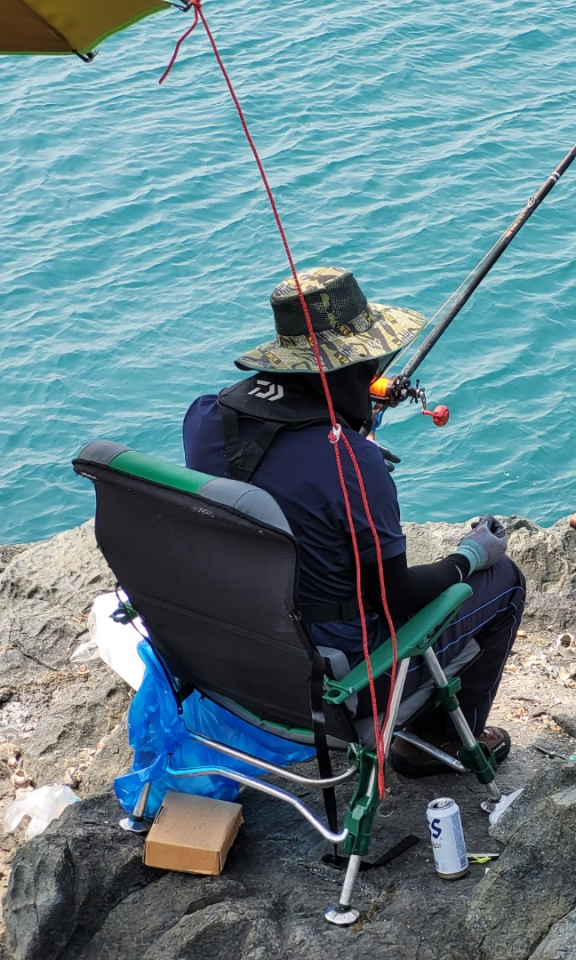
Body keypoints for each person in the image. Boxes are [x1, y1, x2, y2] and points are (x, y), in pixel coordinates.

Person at [182, 266, 526, 776]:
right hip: (338, 684)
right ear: (341, 368)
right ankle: (441, 742)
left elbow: (282, 467)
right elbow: (398, 598)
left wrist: (345, 431)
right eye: (368, 365)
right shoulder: (351, 463)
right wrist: (469, 556)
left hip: (238, 664)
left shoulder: (206, 417)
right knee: (504, 581)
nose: (375, 375)